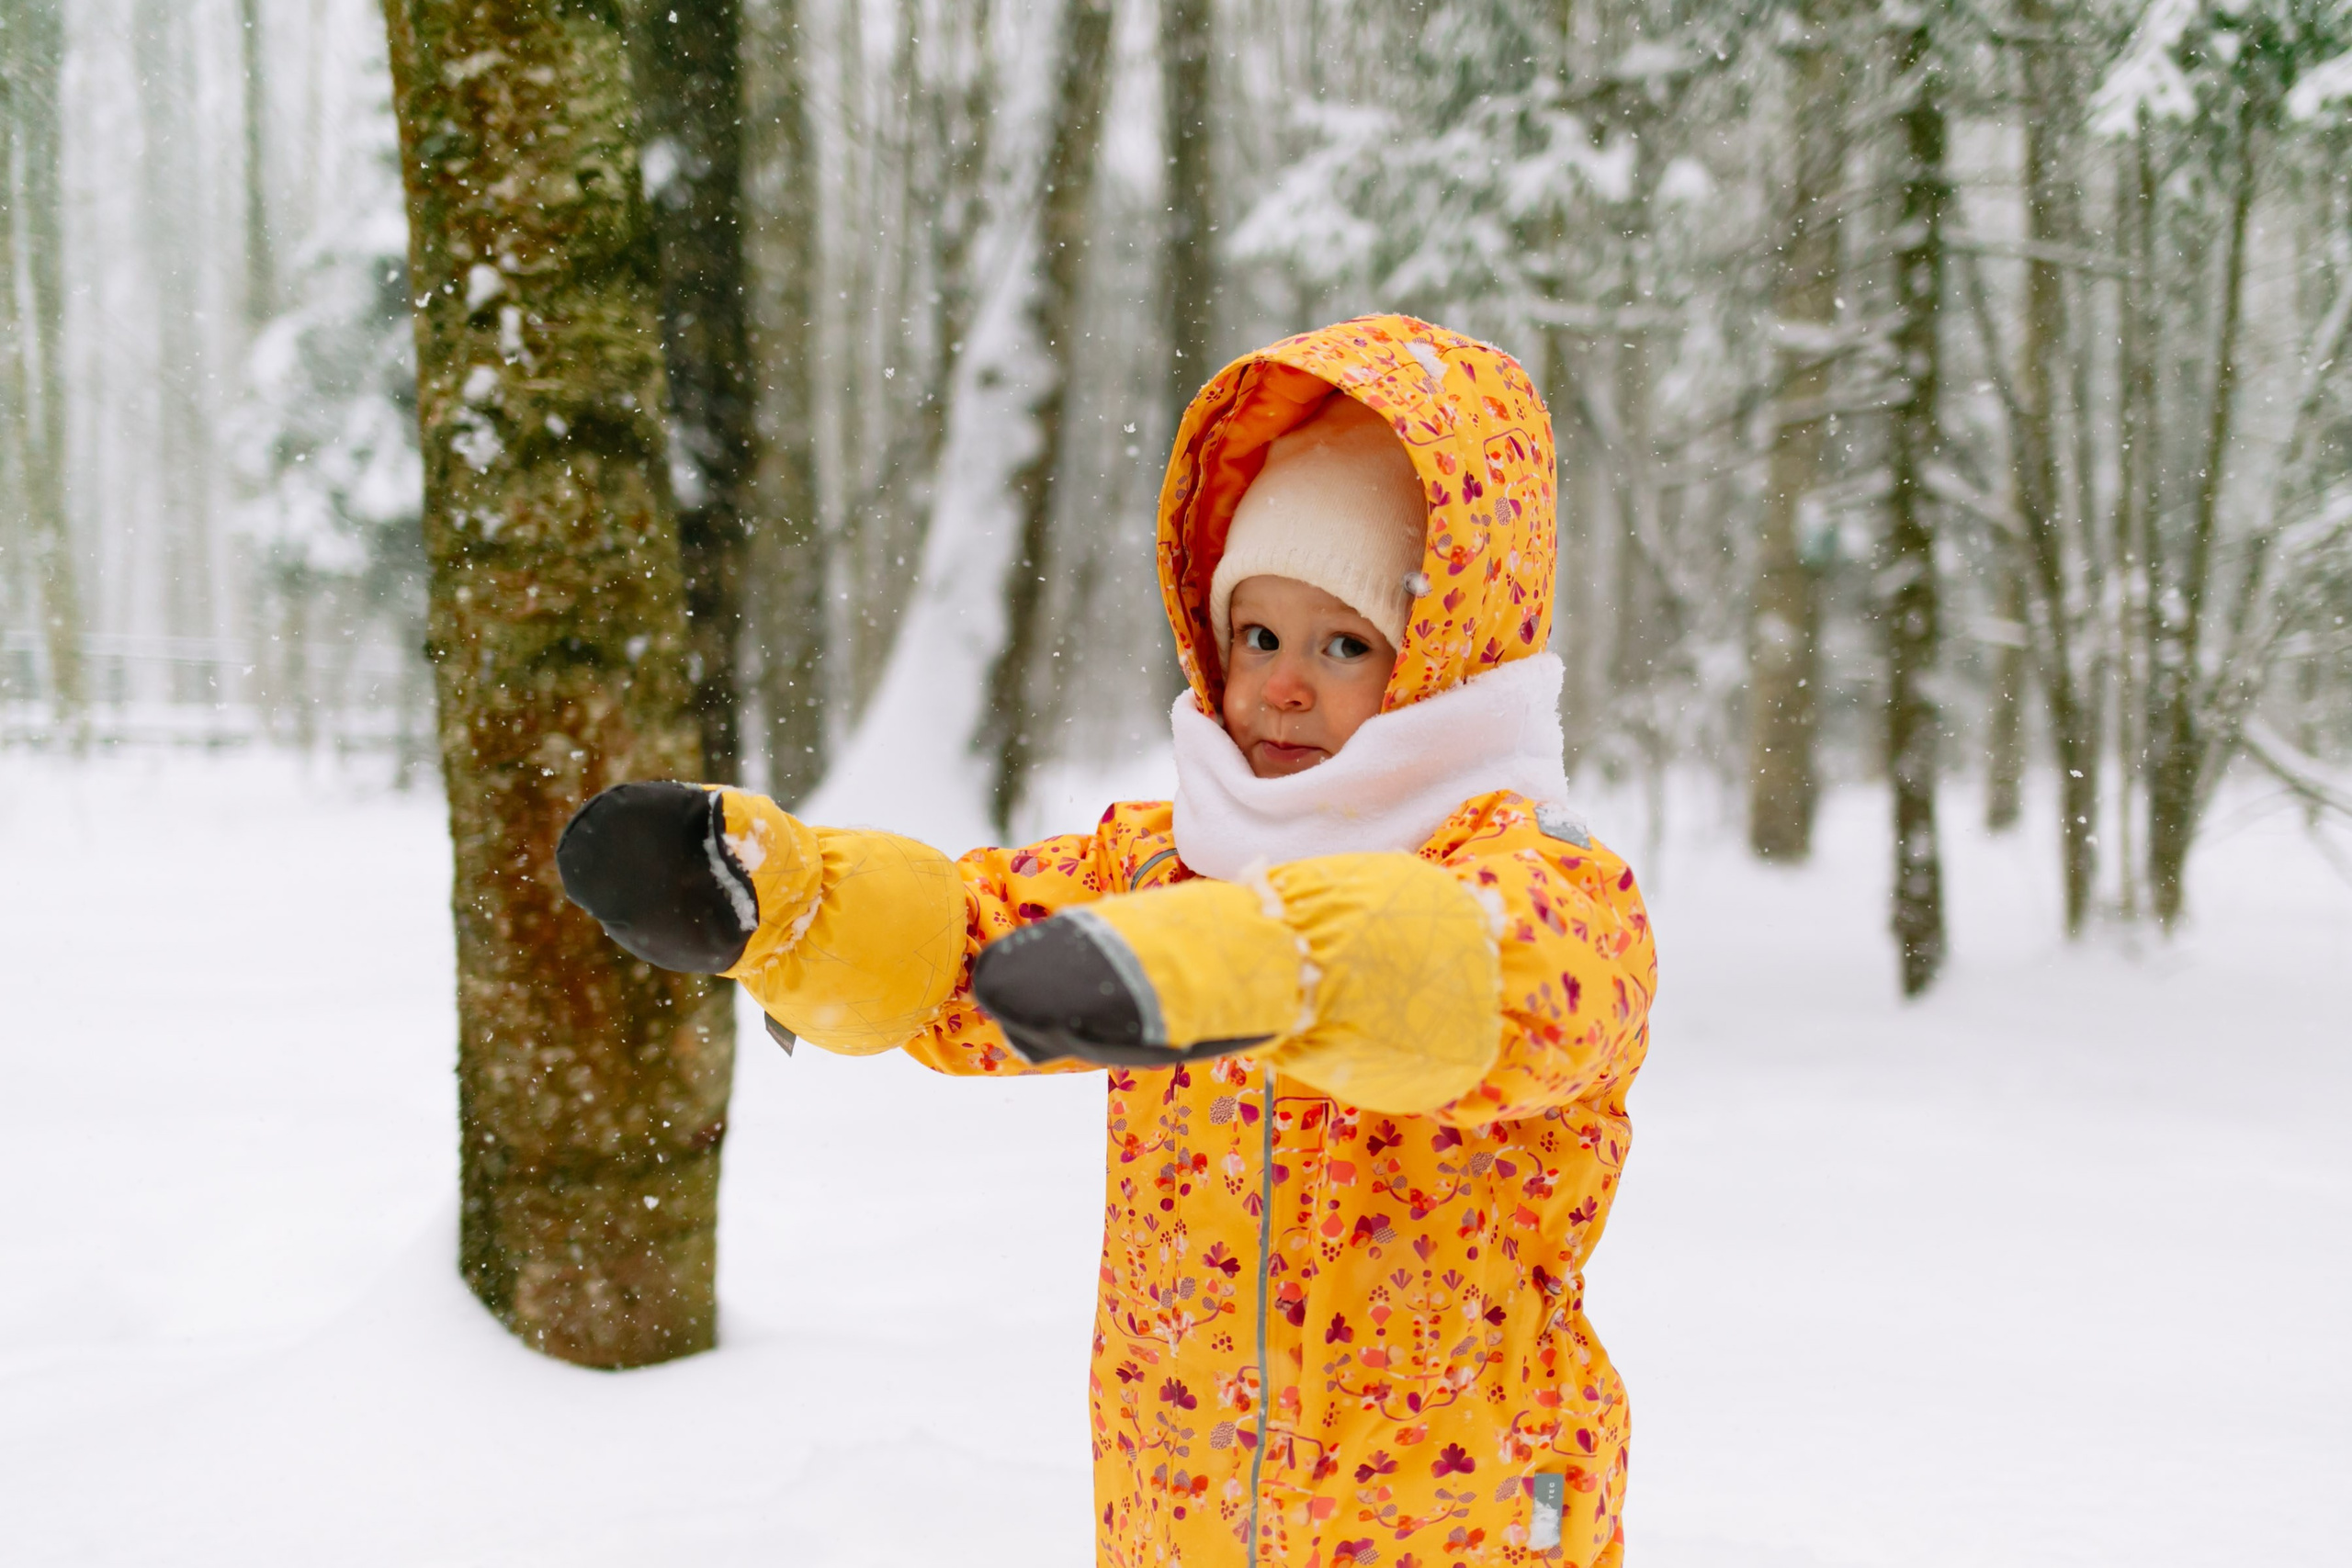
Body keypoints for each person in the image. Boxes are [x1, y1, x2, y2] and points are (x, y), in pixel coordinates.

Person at [557, 315, 1656, 1568]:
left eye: (1345, 645)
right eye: (1260, 636)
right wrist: (800, 910)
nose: (1285, 683)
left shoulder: (1539, 876)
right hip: (1178, 1501)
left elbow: (1507, 983)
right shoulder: (1175, 859)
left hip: (1449, 1521)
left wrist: (1269, 963)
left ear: (1443, 656)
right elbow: (972, 943)